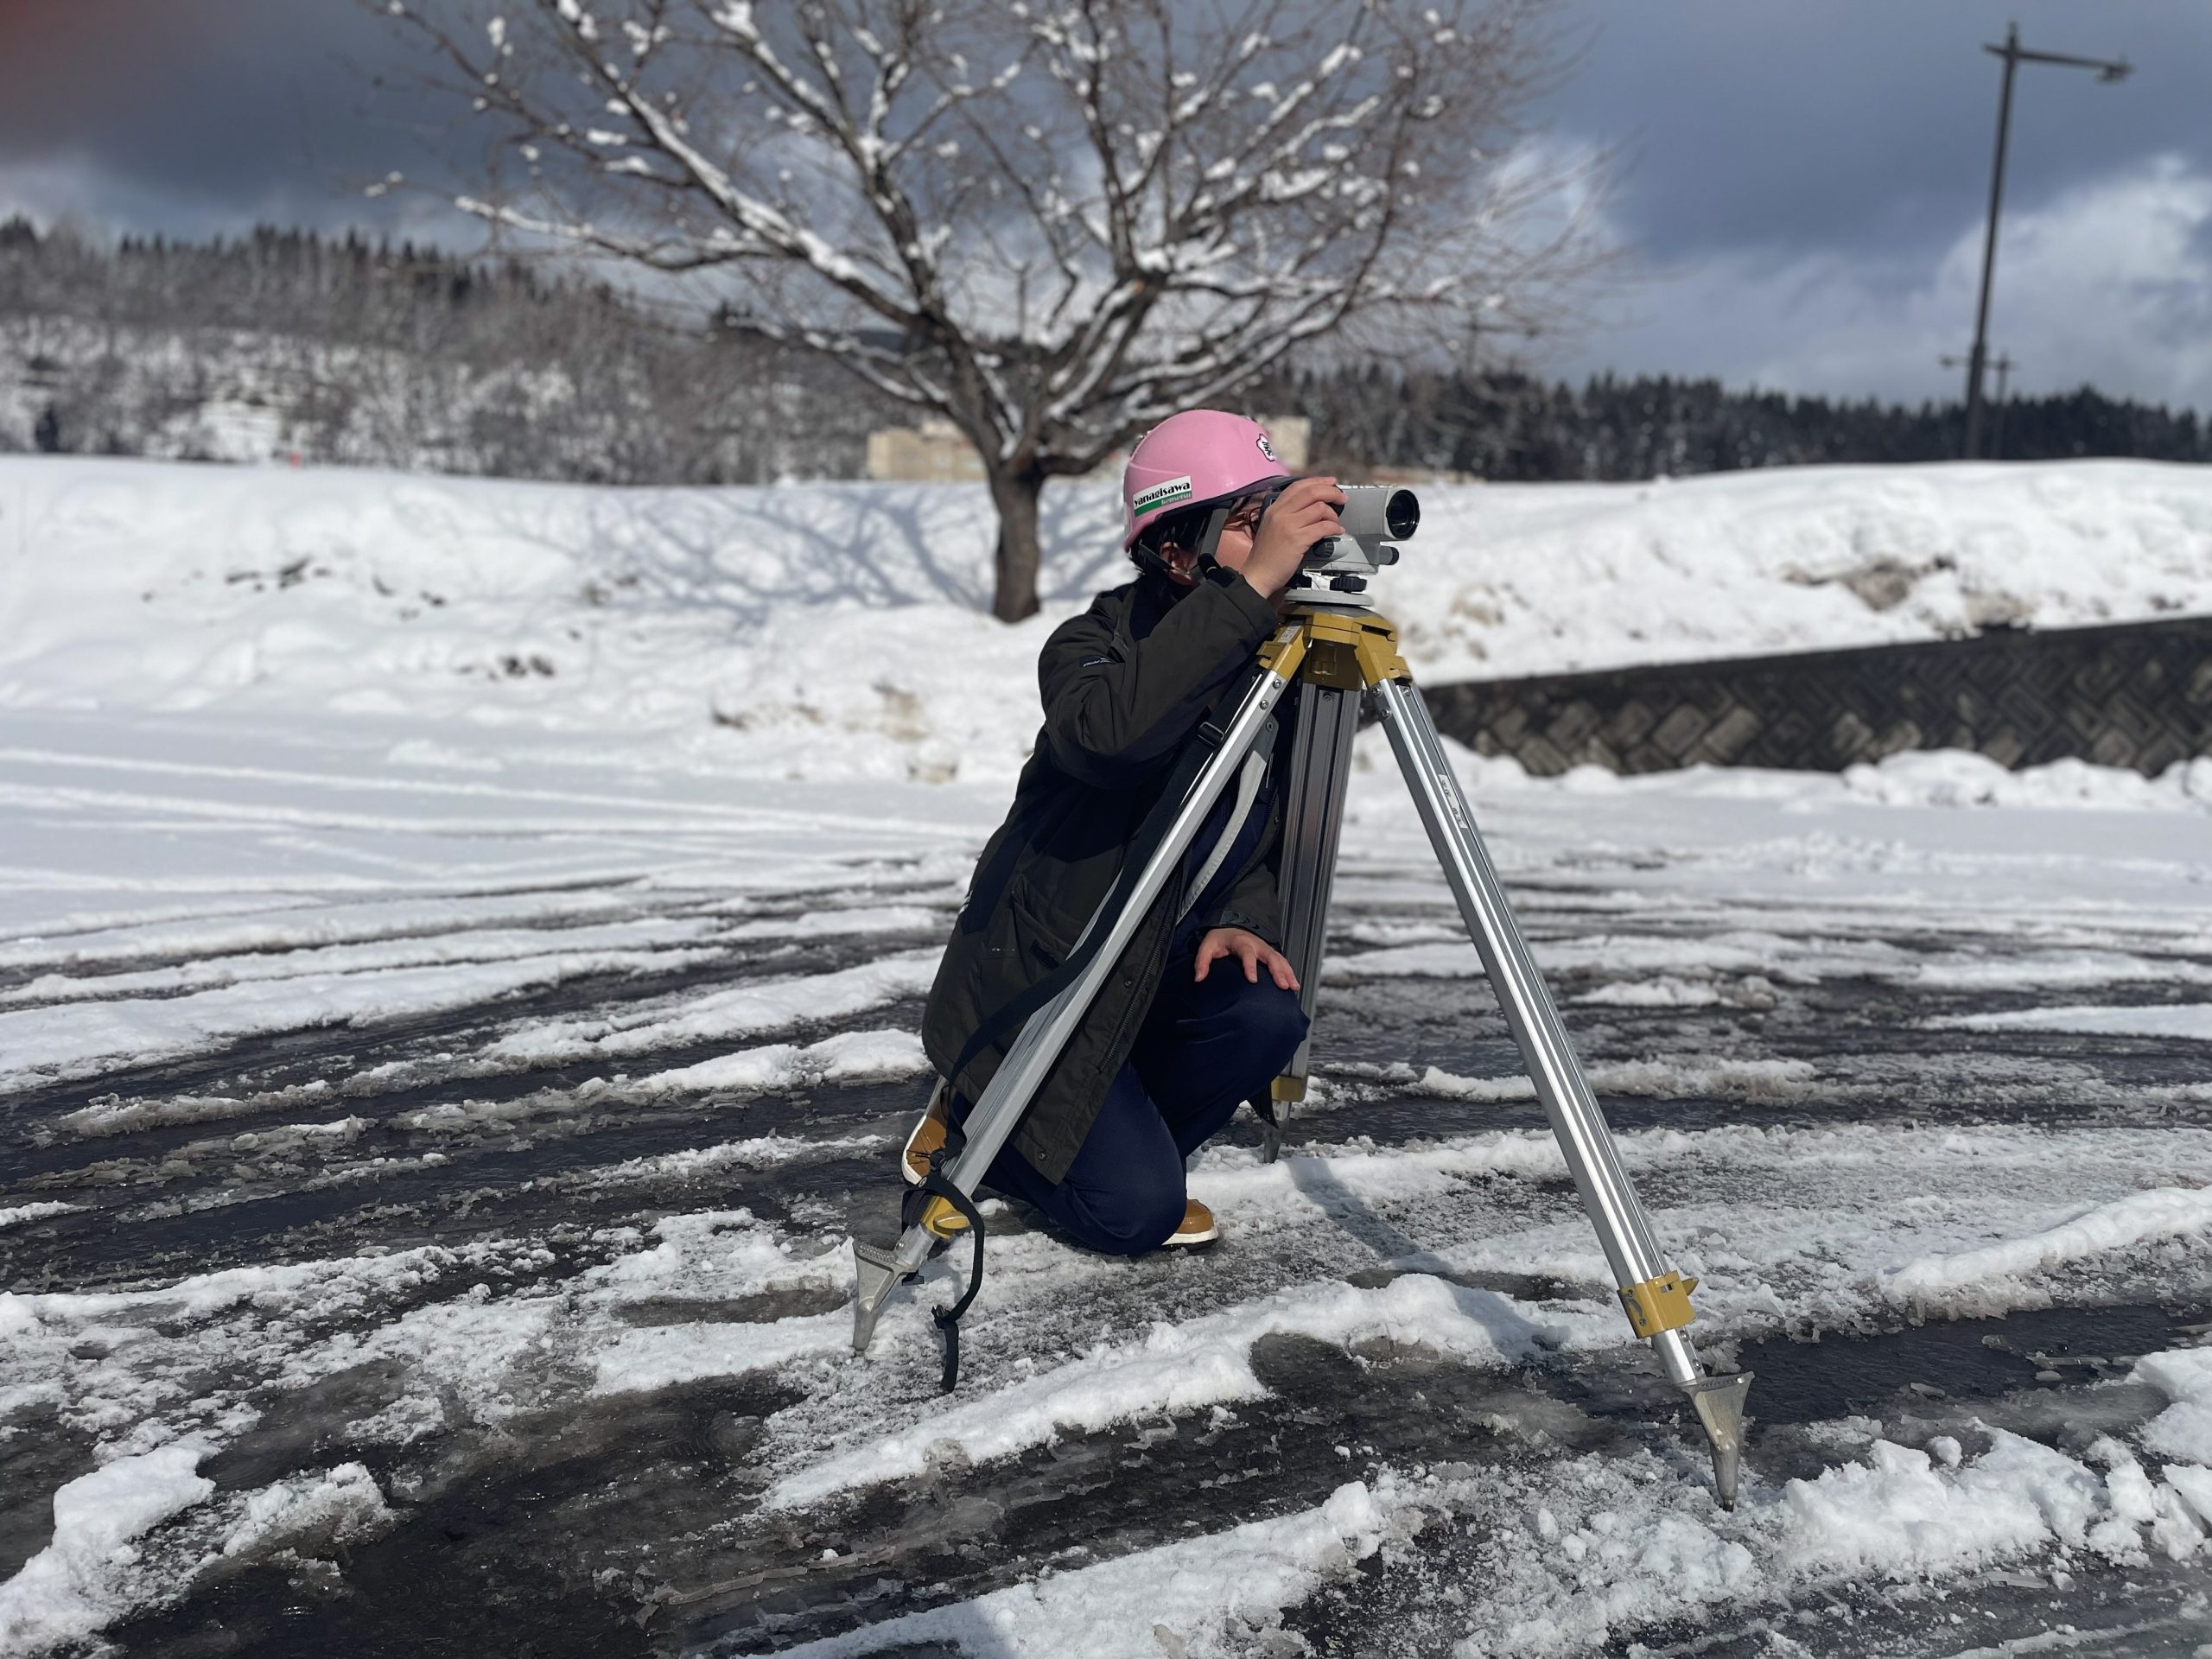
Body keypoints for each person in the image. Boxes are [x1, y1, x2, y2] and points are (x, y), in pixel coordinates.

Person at [906, 410, 1348, 1255]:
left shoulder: (1276, 663)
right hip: (1041, 989)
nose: (1280, 542)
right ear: (1178, 550)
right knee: (1132, 1216)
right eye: (1252, 524)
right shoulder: (1091, 647)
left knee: (1265, 1016)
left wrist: (1244, 914)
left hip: (1145, 974)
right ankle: (981, 1120)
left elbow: (1255, 817)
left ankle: (1093, 1136)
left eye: (1277, 510)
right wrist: (1250, 597)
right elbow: (1110, 738)